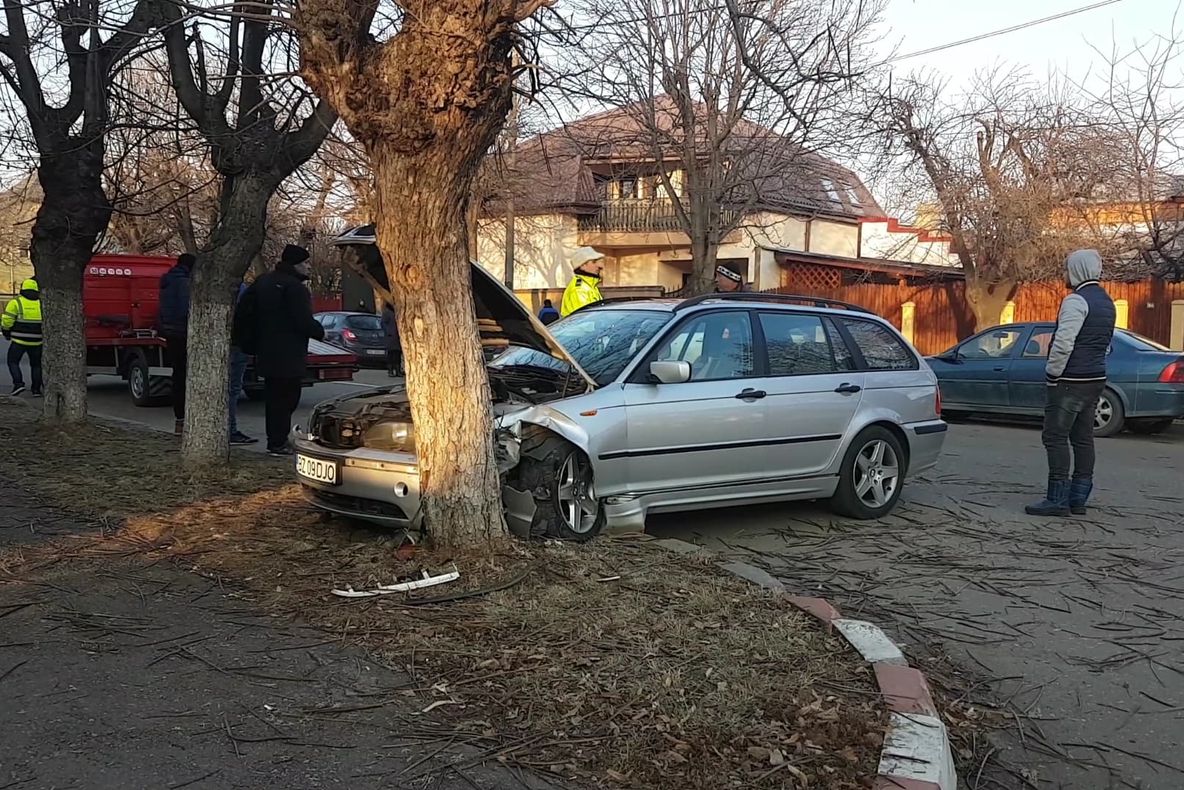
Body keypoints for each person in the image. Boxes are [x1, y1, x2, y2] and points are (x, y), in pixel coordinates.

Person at [1026, 249, 1116, 517]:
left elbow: (1064, 342)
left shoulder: (1076, 301)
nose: (1065, 274)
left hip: (1070, 380)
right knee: (1083, 439)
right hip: (1095, 378)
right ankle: (1078, 498)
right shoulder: (1107, 302)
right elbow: (1105, 344)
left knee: (1054, 436)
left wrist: (1053, 373)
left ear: (1077, 271)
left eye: (1067, 269)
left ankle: (1057, 499)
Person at [233, 245, 325, 457]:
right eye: (305, 263)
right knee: (287, 398)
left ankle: (275, 440)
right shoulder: (294, 288)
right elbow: (303, 321)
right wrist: (320, 332)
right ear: (296, 264)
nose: (308, 266)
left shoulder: (262, 282)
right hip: (289, 352)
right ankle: (278, 442)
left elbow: (244, 312)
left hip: (266, 350)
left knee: (274, 399)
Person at [158, 253, 195, 435]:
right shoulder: (185, 284)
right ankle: (188, 418)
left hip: (170, 333)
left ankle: (179, 419)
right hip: (184, 332)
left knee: (178, 375)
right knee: (188, 376)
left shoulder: (167, 282)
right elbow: (186, 310)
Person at [2, 278, 43, 396]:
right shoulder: (41, 303)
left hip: (19, 340)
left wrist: (6, 332)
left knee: (13, 361)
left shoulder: (16, 302)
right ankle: (36, 389)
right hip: (37, 341)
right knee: (36, 365)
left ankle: (18, 384)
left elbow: (7, 320)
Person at [228, 281, 257, 445]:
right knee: (233, 388)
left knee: (230, 389)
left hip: (232, 342)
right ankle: (230, 430)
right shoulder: (242, 289)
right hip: (238, 343)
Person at [560, 247, 605, 317]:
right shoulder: (579, 290)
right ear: (582, 266)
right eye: (594, 262)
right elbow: (585, 318)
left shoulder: (590, 286)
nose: (599, 266)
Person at [381, 302, 402, 377]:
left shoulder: (398, 312)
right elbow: (383, 323)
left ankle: (398, 370)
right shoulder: (387, 313)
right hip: (391, 337)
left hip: (398, 337)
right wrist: (389, 332)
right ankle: (390, 371)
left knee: (397, 354)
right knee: (391, 354)